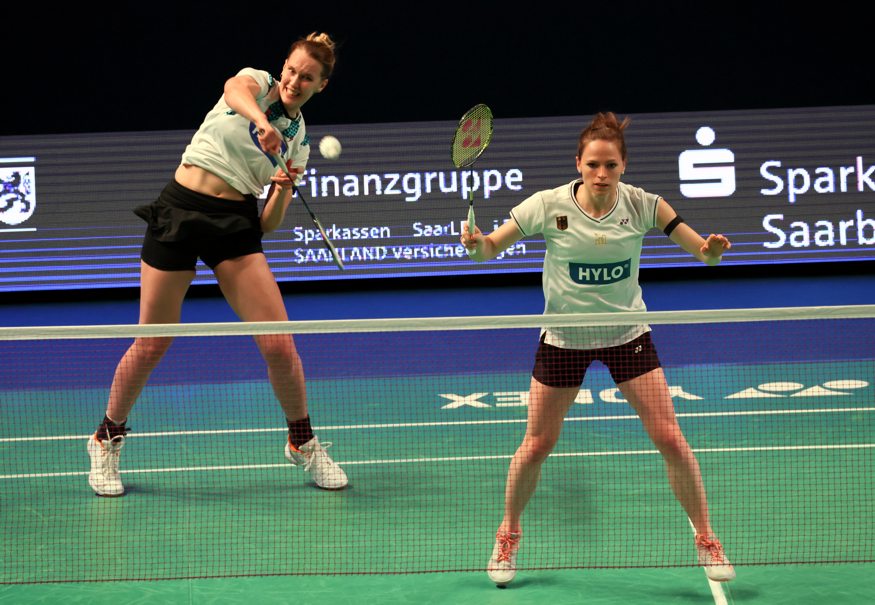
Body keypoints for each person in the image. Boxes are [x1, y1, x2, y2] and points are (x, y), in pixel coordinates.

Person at [461, 112, 734, 586]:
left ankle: (707, 538)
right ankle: (507, 534)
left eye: (610, 165)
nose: (601, 174)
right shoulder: (547, 205)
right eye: (593, 165)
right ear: (578, 164)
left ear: (624, 165)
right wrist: (474, 244)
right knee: (538, 443)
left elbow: (702, 253)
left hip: (626, 334)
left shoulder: (646, 205)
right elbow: (489, 250)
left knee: (669, 437)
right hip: (564, 338)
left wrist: (711, 250)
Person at [87, 32, 348, 496]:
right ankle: (106, 438)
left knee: (279, 347)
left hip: (235, 223)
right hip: (181, 207)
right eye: (291, 70)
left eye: (306, 78)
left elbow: (266, 224)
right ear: (282, 66)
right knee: (152, 341)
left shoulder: (299, 140)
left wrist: (284, 186)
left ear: (320, 86)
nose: (293, 80)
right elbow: (233, 89)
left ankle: (302, 441)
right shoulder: (258, 84)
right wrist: (260, 123)